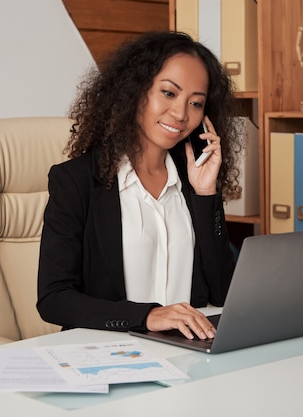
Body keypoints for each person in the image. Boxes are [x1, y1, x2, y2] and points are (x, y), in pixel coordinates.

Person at [37, 31, 242, 341]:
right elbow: (54, 300)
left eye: (196, 103)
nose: (181, 114)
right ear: (135, 90)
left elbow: (223, 292)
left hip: (188, 356)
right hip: (109, 355)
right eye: (169, 93)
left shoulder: (192, 182)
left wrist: (205, 194)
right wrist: (145, 316)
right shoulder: (76, 182)